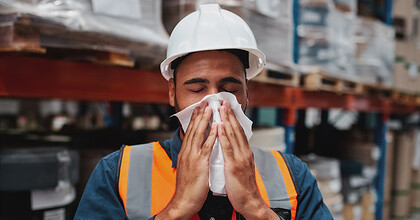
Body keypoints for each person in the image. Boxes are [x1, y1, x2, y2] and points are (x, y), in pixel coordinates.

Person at [75, 4, 333, 220]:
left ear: (246, 94)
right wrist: (178, 208)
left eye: (229, 89)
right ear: (172, 92)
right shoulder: (119, 173)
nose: (215, 103)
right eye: (197, 89)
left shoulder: (290, 175)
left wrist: (257, 208)